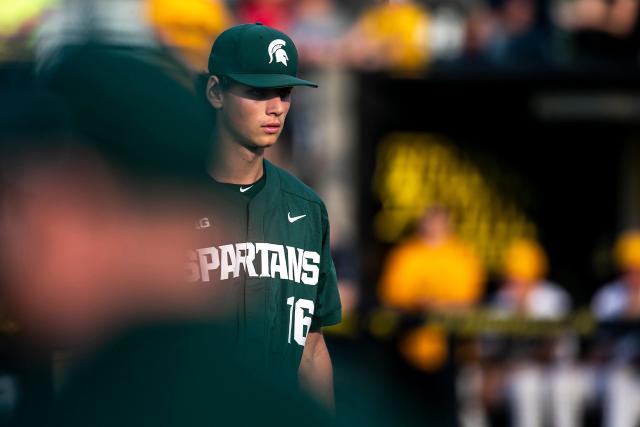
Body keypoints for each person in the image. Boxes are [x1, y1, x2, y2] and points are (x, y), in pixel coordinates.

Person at [190, 23, 342, 410]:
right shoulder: (166, 203)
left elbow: (311, 347)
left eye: (285, 93)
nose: (276, 107)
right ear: (215, 92)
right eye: (258, 92)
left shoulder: (306, 208)